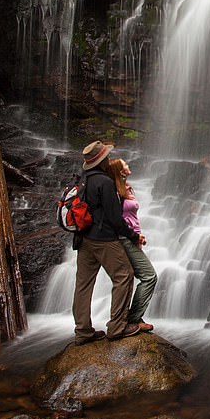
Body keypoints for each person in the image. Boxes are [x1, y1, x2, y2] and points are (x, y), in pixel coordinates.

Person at [71, 140, 142, 344]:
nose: (109, 159)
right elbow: (114, 217)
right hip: (103, 239)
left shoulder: (83, 179)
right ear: (102, 161)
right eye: (107, 157)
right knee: (124, 275)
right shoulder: (104, 182)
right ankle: (117, 326)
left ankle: (82, 331)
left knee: (83, 285)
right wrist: (133, 236)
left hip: (83, 238)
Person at [109, 157, 157, 332]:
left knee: (131, 277)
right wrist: (132, 237)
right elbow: (116, 219)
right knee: (149, 276)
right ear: (120, 171)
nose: (128, 166)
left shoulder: (126, 188)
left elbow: (131, 217)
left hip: (132, 237)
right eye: (125, 165)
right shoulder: (114, 191)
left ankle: (130, 318)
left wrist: (138, 236)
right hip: (124, 238)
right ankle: (133, 318)